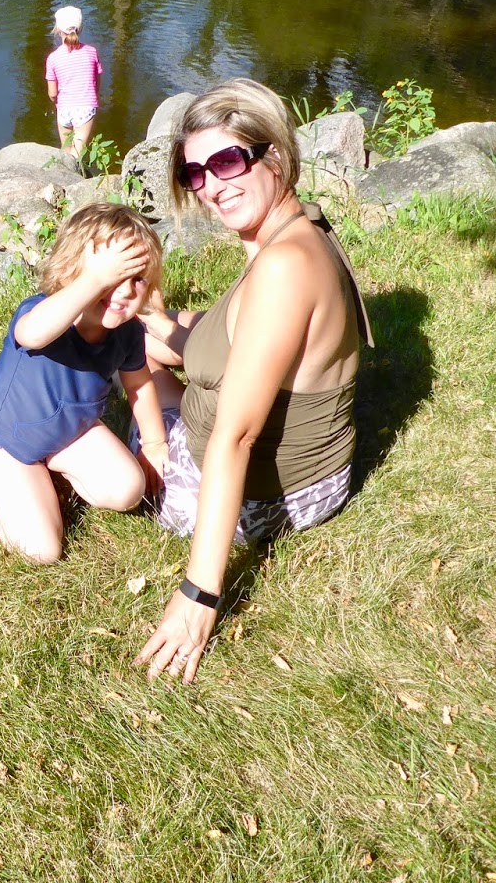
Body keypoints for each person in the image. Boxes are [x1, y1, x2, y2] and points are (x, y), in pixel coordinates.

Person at [130, 78, 373, 686]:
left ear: (276, 155)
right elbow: (242, 336)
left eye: (227, 161)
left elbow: (234, 437)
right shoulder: (297, 230)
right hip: (309, 470)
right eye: (195, 173)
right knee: (143, 336)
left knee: (118, 358)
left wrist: (199, 594)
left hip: (265, 496)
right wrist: (164, 325)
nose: (211, 186)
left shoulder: (284, 266)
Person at [0, 203, 171, 565]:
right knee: (42, 551)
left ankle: (55, 471)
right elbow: (32, 335)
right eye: (110, 277)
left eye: (137, 279)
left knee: (129, 489)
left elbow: (139, 385)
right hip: (9, 443)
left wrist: (155, 442)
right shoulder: (42, 312)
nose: (124, 291)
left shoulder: (127, 332)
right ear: (69, 272)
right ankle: (6, 492)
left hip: (71, 433)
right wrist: (94, 280)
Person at [45, 5, 102, 161]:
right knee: (78, 151)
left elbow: (52, 93)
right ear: (80, 28)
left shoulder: (53, 58)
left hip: (64, 107)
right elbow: (96, 82)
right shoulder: (91, 52)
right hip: (86, 107)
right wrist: (95, 96)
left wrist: (56, 102)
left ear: (58, 30)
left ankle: (63, 172)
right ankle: (76, 174)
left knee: (65, 149)